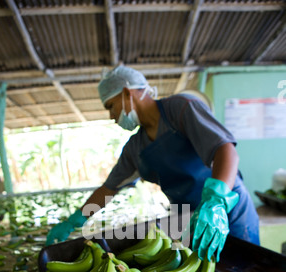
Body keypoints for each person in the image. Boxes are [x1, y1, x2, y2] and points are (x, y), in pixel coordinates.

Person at [46, 65, 260, 262]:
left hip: (226, 207)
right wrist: (75, 220)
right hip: (187, 217)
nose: (111, 116)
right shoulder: (135, 148)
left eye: (110, 106)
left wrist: (216, 202)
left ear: (127, 93)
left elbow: (225, 150)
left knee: (244, 268)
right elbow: (109, 188)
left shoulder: (180, 108)